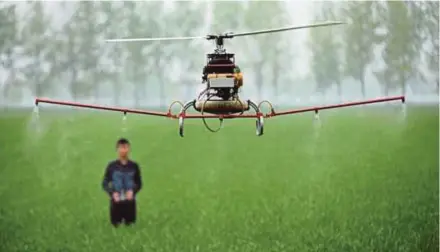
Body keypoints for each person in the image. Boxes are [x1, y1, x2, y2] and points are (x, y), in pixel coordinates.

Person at [102, 138, 142, 227]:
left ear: (129, 149)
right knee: (116, 229)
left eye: (126, 148)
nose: (123, 150)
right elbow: (104, 183)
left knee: (131, 229)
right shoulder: (112, 166)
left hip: (130, 203)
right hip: (116, 203)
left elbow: (139, 183)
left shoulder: (134, 166)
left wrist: (133, 191)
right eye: (121, 148)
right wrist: (112, 193)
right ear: (117, 150)